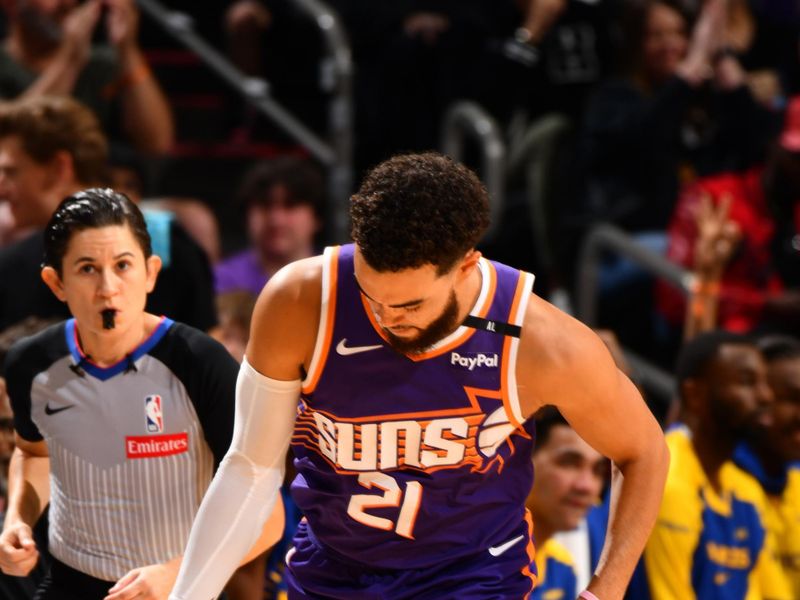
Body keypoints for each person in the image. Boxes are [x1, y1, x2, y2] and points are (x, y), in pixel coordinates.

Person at [168, 152, 668, 599]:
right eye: (371, 297)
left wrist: (606, 590)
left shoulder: (542, 342)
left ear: (467, 266)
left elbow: (643, 450)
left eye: (410, 304)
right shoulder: (299, 301)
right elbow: (251, 467)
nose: (387, 317)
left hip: (471, 576)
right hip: (332, 571)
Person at [0, 189, 279, 599]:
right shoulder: (31, 364)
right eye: (87, 269)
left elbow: (266, 514)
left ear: (150, 273)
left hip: (182, 587)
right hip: (68, 585)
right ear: (56, 282)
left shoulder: (200, 361)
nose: (108, 288)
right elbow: (33, 452)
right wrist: (17, 519)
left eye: (123, 265)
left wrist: (174, 573)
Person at [0, 95, 218, 332]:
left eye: (11, 172)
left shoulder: (171, 249)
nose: (2, 186)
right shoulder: (12, 266)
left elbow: (206, 351)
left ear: (59, 168)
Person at [643, 330, 790, 599]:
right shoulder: (669, 481)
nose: (766, 396)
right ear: (695, 394)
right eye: (748, 382)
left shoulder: (745, 488)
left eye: (765, 383)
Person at [0, 0, 174, 155]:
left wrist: (127, 49)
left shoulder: (102, 63)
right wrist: (70, 60)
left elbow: (157, 143)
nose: (67, 3)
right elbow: (10, 139)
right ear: (10, 3)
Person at [525, 407, 608, 600]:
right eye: (569, 463)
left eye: (597, 470)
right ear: (522, 462)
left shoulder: (562, 568)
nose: (586, 486)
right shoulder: (471, 559)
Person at [214, 156, 324, 297]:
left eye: (290, 205)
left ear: (317, 217)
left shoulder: (337, 282)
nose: (276, 220)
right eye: (265, 205)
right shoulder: (219, 283)